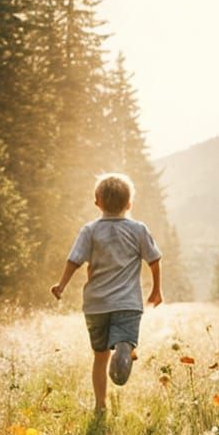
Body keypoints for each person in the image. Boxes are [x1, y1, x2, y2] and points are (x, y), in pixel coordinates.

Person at [51, 172, 163, 412]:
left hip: (96, 304)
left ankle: (100, 405)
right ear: (129, 204)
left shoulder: (90, 231)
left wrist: (61, 285)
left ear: (97, 201)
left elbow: (74, 260)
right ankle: (124, 346)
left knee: (99, 357)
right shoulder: (138, 229)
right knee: (125, 338)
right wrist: (156, 290)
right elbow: (154, 260)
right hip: (127, 303)